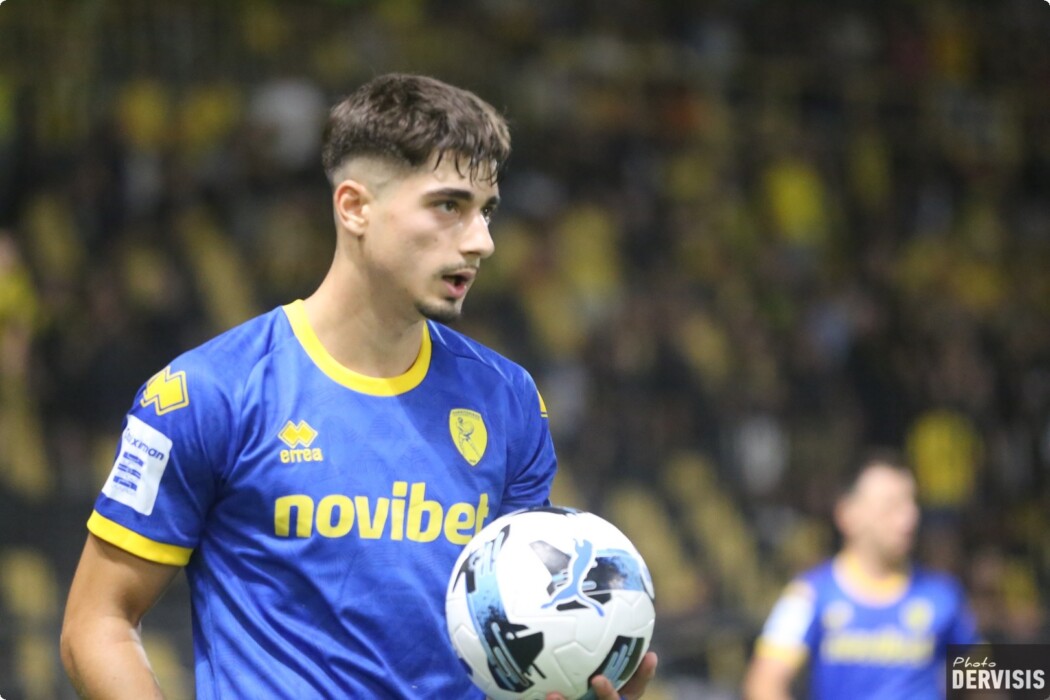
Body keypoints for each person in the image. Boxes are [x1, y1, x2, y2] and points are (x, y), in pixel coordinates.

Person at [60, 73, 657, 699]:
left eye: (487, 211)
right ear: (354, 208)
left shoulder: (508, 400)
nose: (481, 241)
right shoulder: (210, 393)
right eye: (449, 206)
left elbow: (517, 627)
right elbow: (97, 624)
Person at [743, 452, 980, 700]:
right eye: (891, 506)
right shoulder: (808, 595)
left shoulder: (943, 594)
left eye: (912, 503)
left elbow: (983, 683)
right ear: (847, 514)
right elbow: (763, 684)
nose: (909, 518)